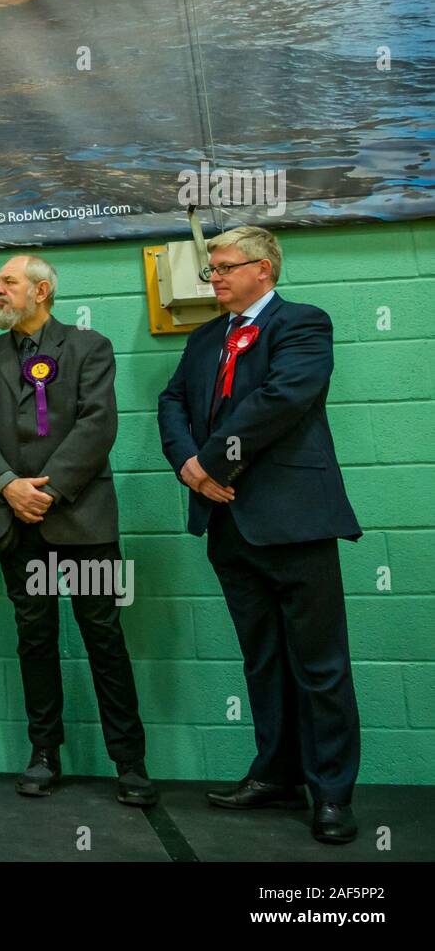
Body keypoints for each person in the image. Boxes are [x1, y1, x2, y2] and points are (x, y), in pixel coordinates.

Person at [158, 226, 362, 844]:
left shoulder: (302, 324)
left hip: (295, 522)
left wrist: (212, 462)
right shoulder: (203, 340)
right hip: (228, 527)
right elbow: (170, 402)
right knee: (263, 661)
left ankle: (330, 794)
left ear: (264, 270)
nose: (213, 277)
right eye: (210, 268)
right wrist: (188, 468)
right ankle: (276, 773)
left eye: (224, 267)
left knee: (319, 666)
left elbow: (283, 398)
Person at [0, 255, 156, 806]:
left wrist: (44, 491)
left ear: (41, 291)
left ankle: (130, 763)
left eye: (8, 282)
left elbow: (99, 424)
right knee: (35, 640)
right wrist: (7, 485)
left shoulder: (90, 347)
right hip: (14, 525)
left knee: (104, 639)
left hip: (84, 524)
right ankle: (44, 753)